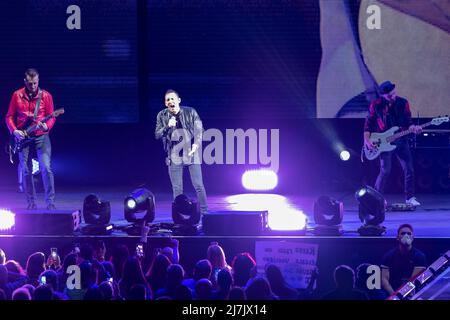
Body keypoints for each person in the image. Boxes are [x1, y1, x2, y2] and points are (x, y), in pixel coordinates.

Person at [363, 81, 422, 206]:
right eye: (389, 95)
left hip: (401, 139)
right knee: (385, 171)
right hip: (384, 142)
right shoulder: (376, 105)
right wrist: (367, 141)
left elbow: (408, 121)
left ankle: (409, 198)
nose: (393, 96)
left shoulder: (403, 103)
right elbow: (368, 124)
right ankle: (377, 198)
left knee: (409, 169)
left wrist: (413, 127)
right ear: (383, 95)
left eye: (393, 93)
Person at [5, 68, 57, 210]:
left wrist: (47, 126)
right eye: (29, 84)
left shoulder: (46, 96)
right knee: (26, 170)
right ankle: (31, 203)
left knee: (46, 167)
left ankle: (50, 203)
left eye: (35, 83)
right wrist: (14, 130)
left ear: (38, 81)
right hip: (23, 137)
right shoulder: (17, 95)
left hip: (41, 136)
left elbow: (52, 116)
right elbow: (9, 116)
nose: (33, 86)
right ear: (25, 82)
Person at [155, 89, 208, 215]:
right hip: (173, 155)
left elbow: (200, 130)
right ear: (165, 103)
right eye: (167, 100)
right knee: (177, 188)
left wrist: (196, 145)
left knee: (199, 185)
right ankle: (179, 214)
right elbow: (157, 135)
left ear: (178, 100)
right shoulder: (162, 115)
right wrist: (168, 126)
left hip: (191, 152)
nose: (170, 101)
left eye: (172, 99)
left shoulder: (191, 112)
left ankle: (205, 213)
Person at [381, 224, 426, 296]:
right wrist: (394, 296)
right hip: (392, 291)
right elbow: (384, 280)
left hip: (412, 293)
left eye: (409, 233)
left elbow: (413, 281)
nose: (406, 236)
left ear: (413, 237)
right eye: (403, 233)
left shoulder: (420, 257)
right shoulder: (389, 256)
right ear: (397, 237)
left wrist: (403, 296)